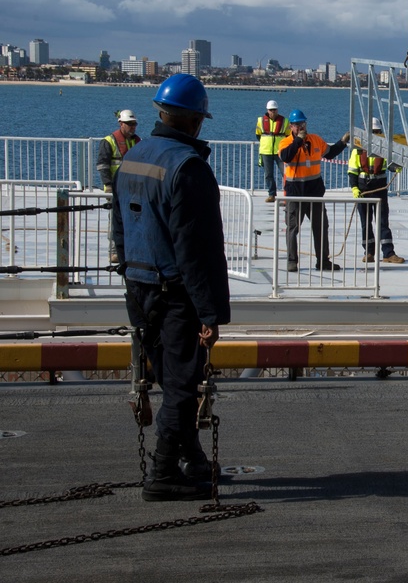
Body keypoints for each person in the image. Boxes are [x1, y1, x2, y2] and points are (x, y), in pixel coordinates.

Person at [112, 73, 228, 501]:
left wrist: (130, 277)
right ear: (196, 121)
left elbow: (120, 228)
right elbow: (197, 250)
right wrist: (210, 313)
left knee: (167, 375)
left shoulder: (134, 155)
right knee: (182, 384)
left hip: (139, 288)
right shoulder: (188, 167)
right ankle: (163, 472)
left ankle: (193, 462)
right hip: (176, 292)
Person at [278, 109, 349, 272]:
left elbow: (330, 153)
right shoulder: (285, 142)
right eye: (297, 125)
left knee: (321, 227)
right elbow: (286, 157)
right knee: (292, 228)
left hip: (314, 191)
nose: (301, 127)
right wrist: (297, 142)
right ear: (291, 127)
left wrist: (343, 142)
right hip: (295, 192)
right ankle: (292, 261)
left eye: (303, 124)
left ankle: (323, 261)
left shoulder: (315, 140)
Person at [349, 118, 405, 264]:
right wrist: (354, 188)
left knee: (383, 221)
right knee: (365, 223)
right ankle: (369, 252)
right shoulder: (357, 149)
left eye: (377, 132)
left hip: (379, 188)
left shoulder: (384, 148)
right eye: (373, 132)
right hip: (363, 190)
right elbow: (352, 171)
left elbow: (388, 164)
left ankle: (388, 253)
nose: (375, 134)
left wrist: (396, 167)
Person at [98, 109, 141, 263]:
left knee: (135, 220)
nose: (133, 127)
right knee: (115, 222)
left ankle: (132, 250)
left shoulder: (137, 141)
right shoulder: (109, 141)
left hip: (133, 190)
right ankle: (115, 252)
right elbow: (102, 165)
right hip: (115, 190)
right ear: (121, 124)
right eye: (129, 124)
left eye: (134, 124)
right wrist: (108, 185)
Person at [255, 100, 289, 203]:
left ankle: (287, 196)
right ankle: (272, 195)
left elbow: (288, 136)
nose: (272, 112)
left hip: (280, 152)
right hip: (266, 151)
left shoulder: (284, 121)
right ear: (267, 110)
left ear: (277, 110)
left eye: (274, 110)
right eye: (271, 110)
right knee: (268, 174)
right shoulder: (261, 121)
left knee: (286, 174)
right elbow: (258, 134)